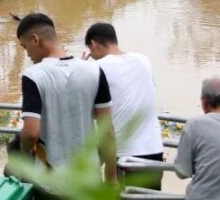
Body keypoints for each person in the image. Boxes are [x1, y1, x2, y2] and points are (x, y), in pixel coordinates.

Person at [16, 13, 117, 184]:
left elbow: (31, 132)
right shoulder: (94, 71)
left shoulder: (33, 75)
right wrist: (111, 176)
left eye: (25, 47)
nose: (27, 55)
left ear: (35, 39)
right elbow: (107, 130)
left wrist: (26, 156)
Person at [84, 22, 165, 190]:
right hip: (154, 149)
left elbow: (87, 109)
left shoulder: (97, 67)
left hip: (124, 155)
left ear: (93, 44)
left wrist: (82, 67)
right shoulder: (144, 60)